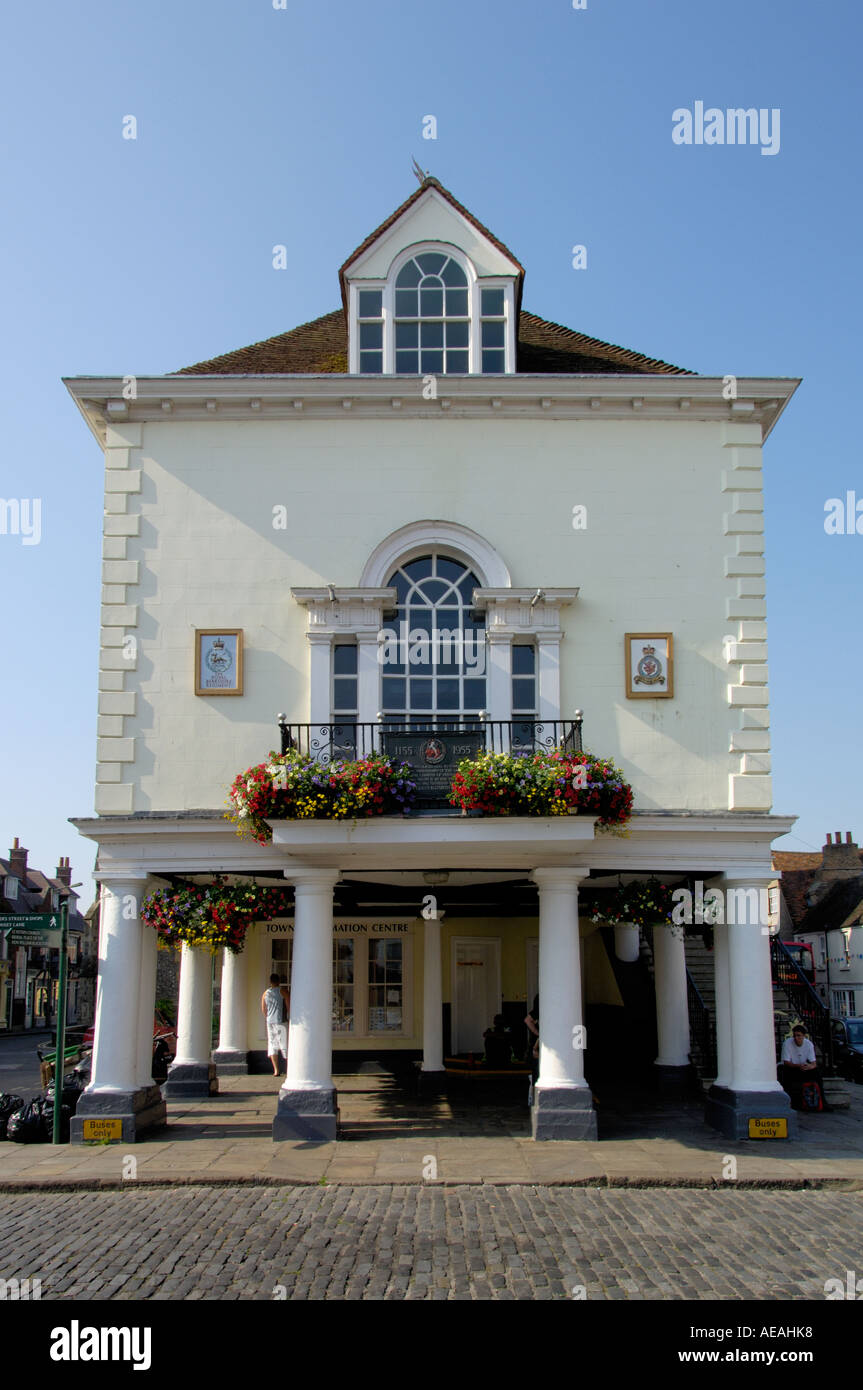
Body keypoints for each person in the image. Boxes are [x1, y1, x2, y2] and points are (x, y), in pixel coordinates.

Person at [780, 1025, 824, 1111]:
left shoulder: (809, 1044)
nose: (796, 1038)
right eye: (795, 1035)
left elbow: (814, 1062)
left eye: (799, 1035)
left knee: (817, 1073)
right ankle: (792, 1103)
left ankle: (821, 1101)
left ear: (804, 1036)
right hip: (792, 1067)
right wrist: (798, 1066)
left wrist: (809, 1067)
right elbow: (786, 1062)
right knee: (786, 1073)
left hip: (803, 1067)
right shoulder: (787, 1043)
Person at [261, 974, 290, 1076]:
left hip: (270, 1021)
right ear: (279, 981)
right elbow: (288, 1005)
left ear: (270, 981)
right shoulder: (283, 992)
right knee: (284, 1044)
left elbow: (263, 1009)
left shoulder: (265, 993)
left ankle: (276, 1070)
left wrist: (268, 1016)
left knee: (272, 1044)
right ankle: (289, 1069)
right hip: (281, 1021)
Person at [524, 995, 539, 1064]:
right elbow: (527, 1020)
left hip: (536, 1042)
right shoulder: (538, 1011)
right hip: (536, 1043)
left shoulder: (538, 1012)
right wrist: (538, 1033)